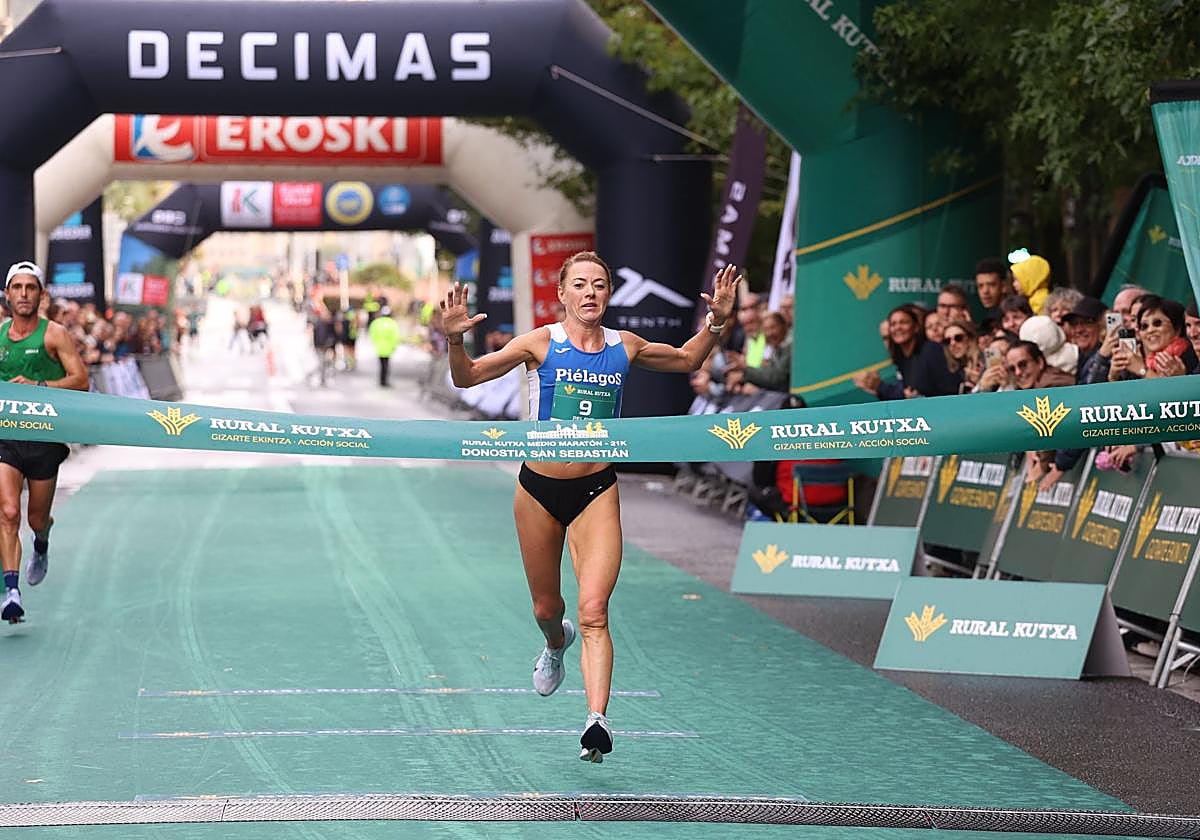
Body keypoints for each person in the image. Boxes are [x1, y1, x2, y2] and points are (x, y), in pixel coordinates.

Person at [439, 252, 740, 763]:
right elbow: (466, 378)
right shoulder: (540, 342)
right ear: (562, 294)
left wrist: (717, 322)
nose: (590, 293)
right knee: (547, 609)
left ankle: (596, 721)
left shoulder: (626, 346)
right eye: (579, 284)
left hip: (597, 490)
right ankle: (555, 644)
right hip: (537, 488)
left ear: (608, 294)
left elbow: (688, 360)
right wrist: (453, 338)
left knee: (595, 610)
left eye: (599, 285)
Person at [0, 262, 89, 622]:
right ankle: (11, 592)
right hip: (6, 435)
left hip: (45, 439)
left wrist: (39, 388)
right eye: (17, 287)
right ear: (7, 294)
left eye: (30, 288)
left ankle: (42, 540)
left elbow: (81, 379)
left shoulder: (55, 334)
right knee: (7, 512)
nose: (23, 294)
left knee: (36, 517)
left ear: (40, 294)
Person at [852, 305, 960, 399]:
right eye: (893, 324)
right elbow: (904, 394)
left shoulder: (932, 350)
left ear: (916, 327)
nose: (898, 327)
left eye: (904, 322)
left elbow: (950, 389)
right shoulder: (903, 359)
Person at [367, 306, 401, 387]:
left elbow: (372, 334)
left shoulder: (376, 323)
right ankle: (384, 381)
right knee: (386, 365)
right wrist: (394, 346)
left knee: (382, 365)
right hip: (388, 348)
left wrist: (376, 343)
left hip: (379, 348)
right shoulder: (392, 323)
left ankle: (382, 380)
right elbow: (396, 336)